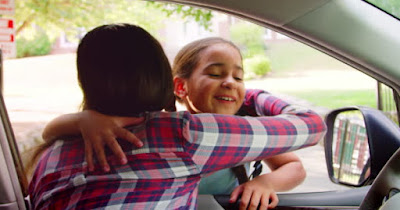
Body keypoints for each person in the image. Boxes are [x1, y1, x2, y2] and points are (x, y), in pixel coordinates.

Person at [30, 23, 326, 210]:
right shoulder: (188, 134)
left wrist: (81, 120)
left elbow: (291, 166)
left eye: (239, 77)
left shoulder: (47, 157)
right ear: (173, 84)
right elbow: (313, 126)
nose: (230, 83)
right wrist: (253, 94)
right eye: (216, 74)